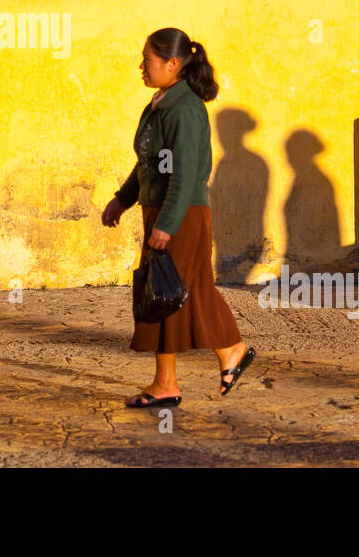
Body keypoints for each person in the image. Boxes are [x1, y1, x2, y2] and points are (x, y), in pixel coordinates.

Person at [101, 28, 255, 408]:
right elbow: (149, 164)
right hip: (164, 210)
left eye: (147, 61)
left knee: (175, 293)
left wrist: (167, 225)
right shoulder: (160, 104)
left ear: (173, 64)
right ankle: (183, 374)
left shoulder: (184, 109)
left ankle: (218, 357)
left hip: (181, 214)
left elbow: (184, 174)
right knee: (167, 294)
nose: (141, 67)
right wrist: (123, 200)